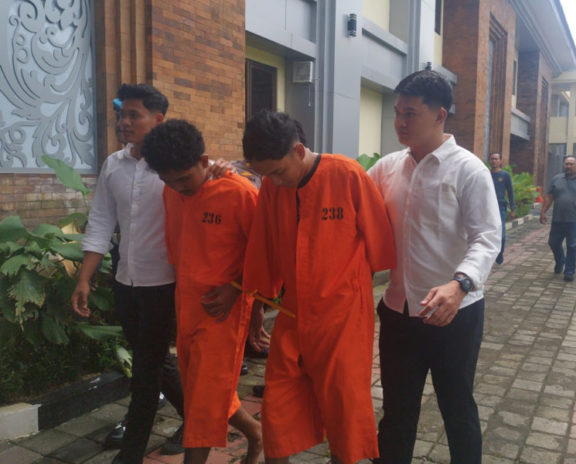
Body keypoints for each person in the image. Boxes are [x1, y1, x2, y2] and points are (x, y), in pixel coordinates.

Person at [241, 110, 396, 464]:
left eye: (278, 172)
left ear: (298, 151)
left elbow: (379, 246)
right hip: (293, 314)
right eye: (266, 176)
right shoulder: (273, 187)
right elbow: (264, 248)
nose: (274, 182)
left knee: (345, 409)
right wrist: (256, 308)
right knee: (277, 409)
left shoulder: (347, 175)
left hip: (343, 316)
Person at [368, 70, 501, 464]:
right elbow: (343, 193)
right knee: (397, 411)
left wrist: (459, 284)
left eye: (410, 113)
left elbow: (487, 237)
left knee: (457, 407)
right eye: (397, 112)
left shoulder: (468, 169)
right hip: (399, 312)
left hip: (454, 314)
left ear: (440, 115)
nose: (400, 122)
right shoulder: (387, 168)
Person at [72, 84, 188, 463]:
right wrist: (85, 278)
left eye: (133, 115)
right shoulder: (113, 165)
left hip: (165, 285)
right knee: (150, 358)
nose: (123, 122)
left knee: (145, 370)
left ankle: (131, 451)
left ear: (158, 120)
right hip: (126, 282)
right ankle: (195, 416)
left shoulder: (175, 166)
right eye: (121, 114)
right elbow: (101, 222)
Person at [141, 119, 263, 464]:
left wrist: (236, 289)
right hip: (187, 306)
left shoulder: (240, 193)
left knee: (203, 404)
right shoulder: (171, 192)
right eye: (169, 181)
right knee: (203, 390)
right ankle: (256, 434)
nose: (179, 188)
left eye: (184, 179)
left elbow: (266, 252)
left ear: (204, 161)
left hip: (224, 312)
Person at [540, 156, 576, 282]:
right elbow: (549, 197)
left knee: (572, 245)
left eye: (571, 164)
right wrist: (543, 212)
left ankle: (569, 271)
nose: (568, 166)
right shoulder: (556, 179)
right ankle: (560, 261)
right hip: (558, 218)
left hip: (575, 219)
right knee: (553, 243)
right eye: (566, 164)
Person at [488, 152, 515, 264]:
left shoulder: (505, 175)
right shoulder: (486, 174)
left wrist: (512, 209)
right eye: (492, 159)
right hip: (487, 208)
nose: (494, 161)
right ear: (489, 161)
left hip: (500, 208)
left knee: (502, 235)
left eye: (496, 159)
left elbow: (510, 192)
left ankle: (500, 253)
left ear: (500, 161)